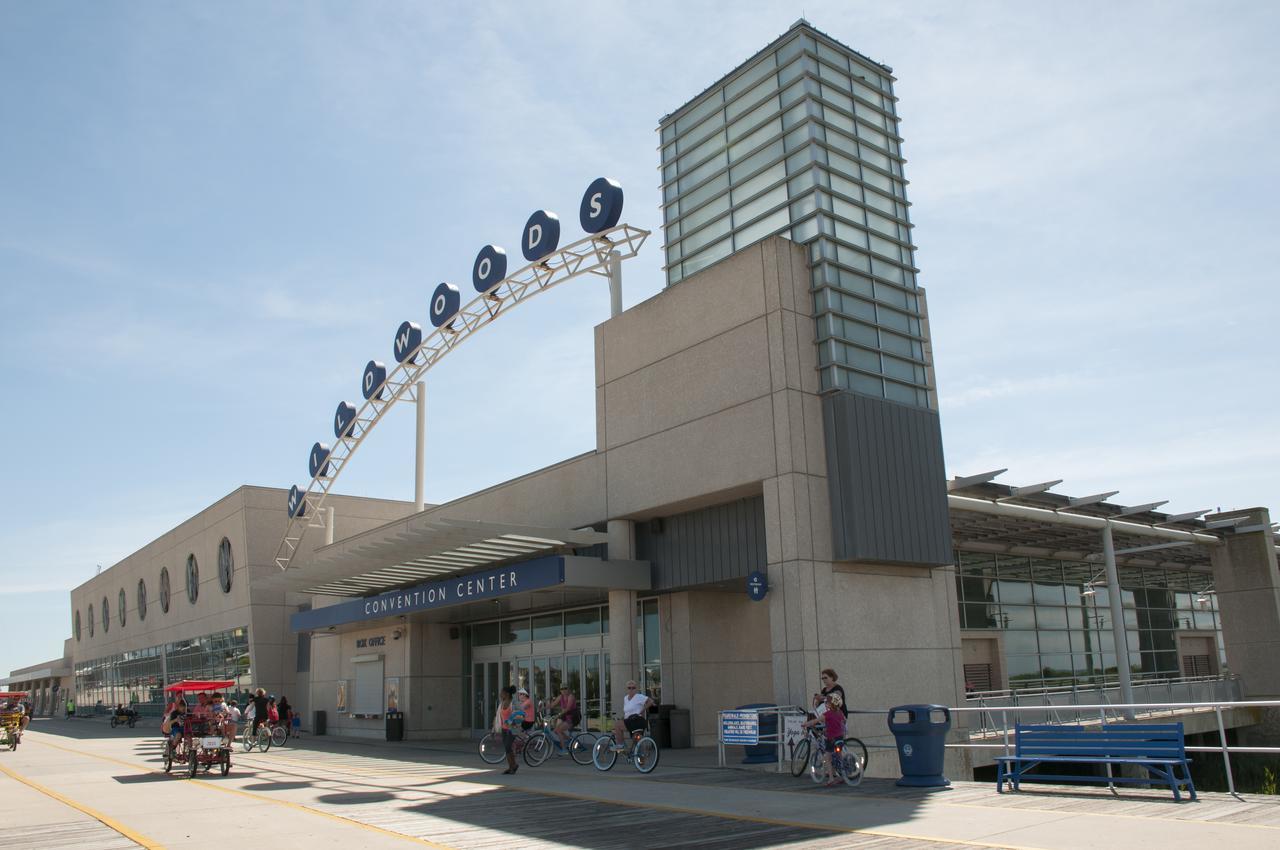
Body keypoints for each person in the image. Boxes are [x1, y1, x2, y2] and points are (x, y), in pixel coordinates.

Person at [612, 680, 654, 748]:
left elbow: (651, 701)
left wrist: (642, 709)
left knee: (617, 725)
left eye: (633, 688)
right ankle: (638, 757)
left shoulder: (639, 696)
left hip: (637, 720)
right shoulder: (625, 698)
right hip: (630, 721)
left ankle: (620, 745)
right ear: (627, 689)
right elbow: (627, 712)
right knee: (637, 744)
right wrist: (623, 718)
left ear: (636, 689)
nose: (631, 689)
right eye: (629, 688)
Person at [495, 687, 525, 775]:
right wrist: (495, 727)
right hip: (504, 728)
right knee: (507, 748)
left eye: (502, 693)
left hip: (513, 729)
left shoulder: (514, 703)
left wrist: (513, 722)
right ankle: (512, 766)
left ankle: (513, 765)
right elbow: (498, 716)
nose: (500, 695)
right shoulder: (502, 703)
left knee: (508, 746)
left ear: (507, 694)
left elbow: (520, 715)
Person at [549, 685, 580, 752]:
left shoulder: (570, 696)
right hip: (565, 716)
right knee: (556, 731)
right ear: (560, 690)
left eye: (565, 688)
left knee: (558, 730)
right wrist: (542, 708)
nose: (564, 690)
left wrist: (557, 716)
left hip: (573, 717)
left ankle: (564, 750)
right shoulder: (561, 697)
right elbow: (553, 705)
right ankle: (571, 741)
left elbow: (567, 708)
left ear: (568, 689)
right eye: (562, 689)